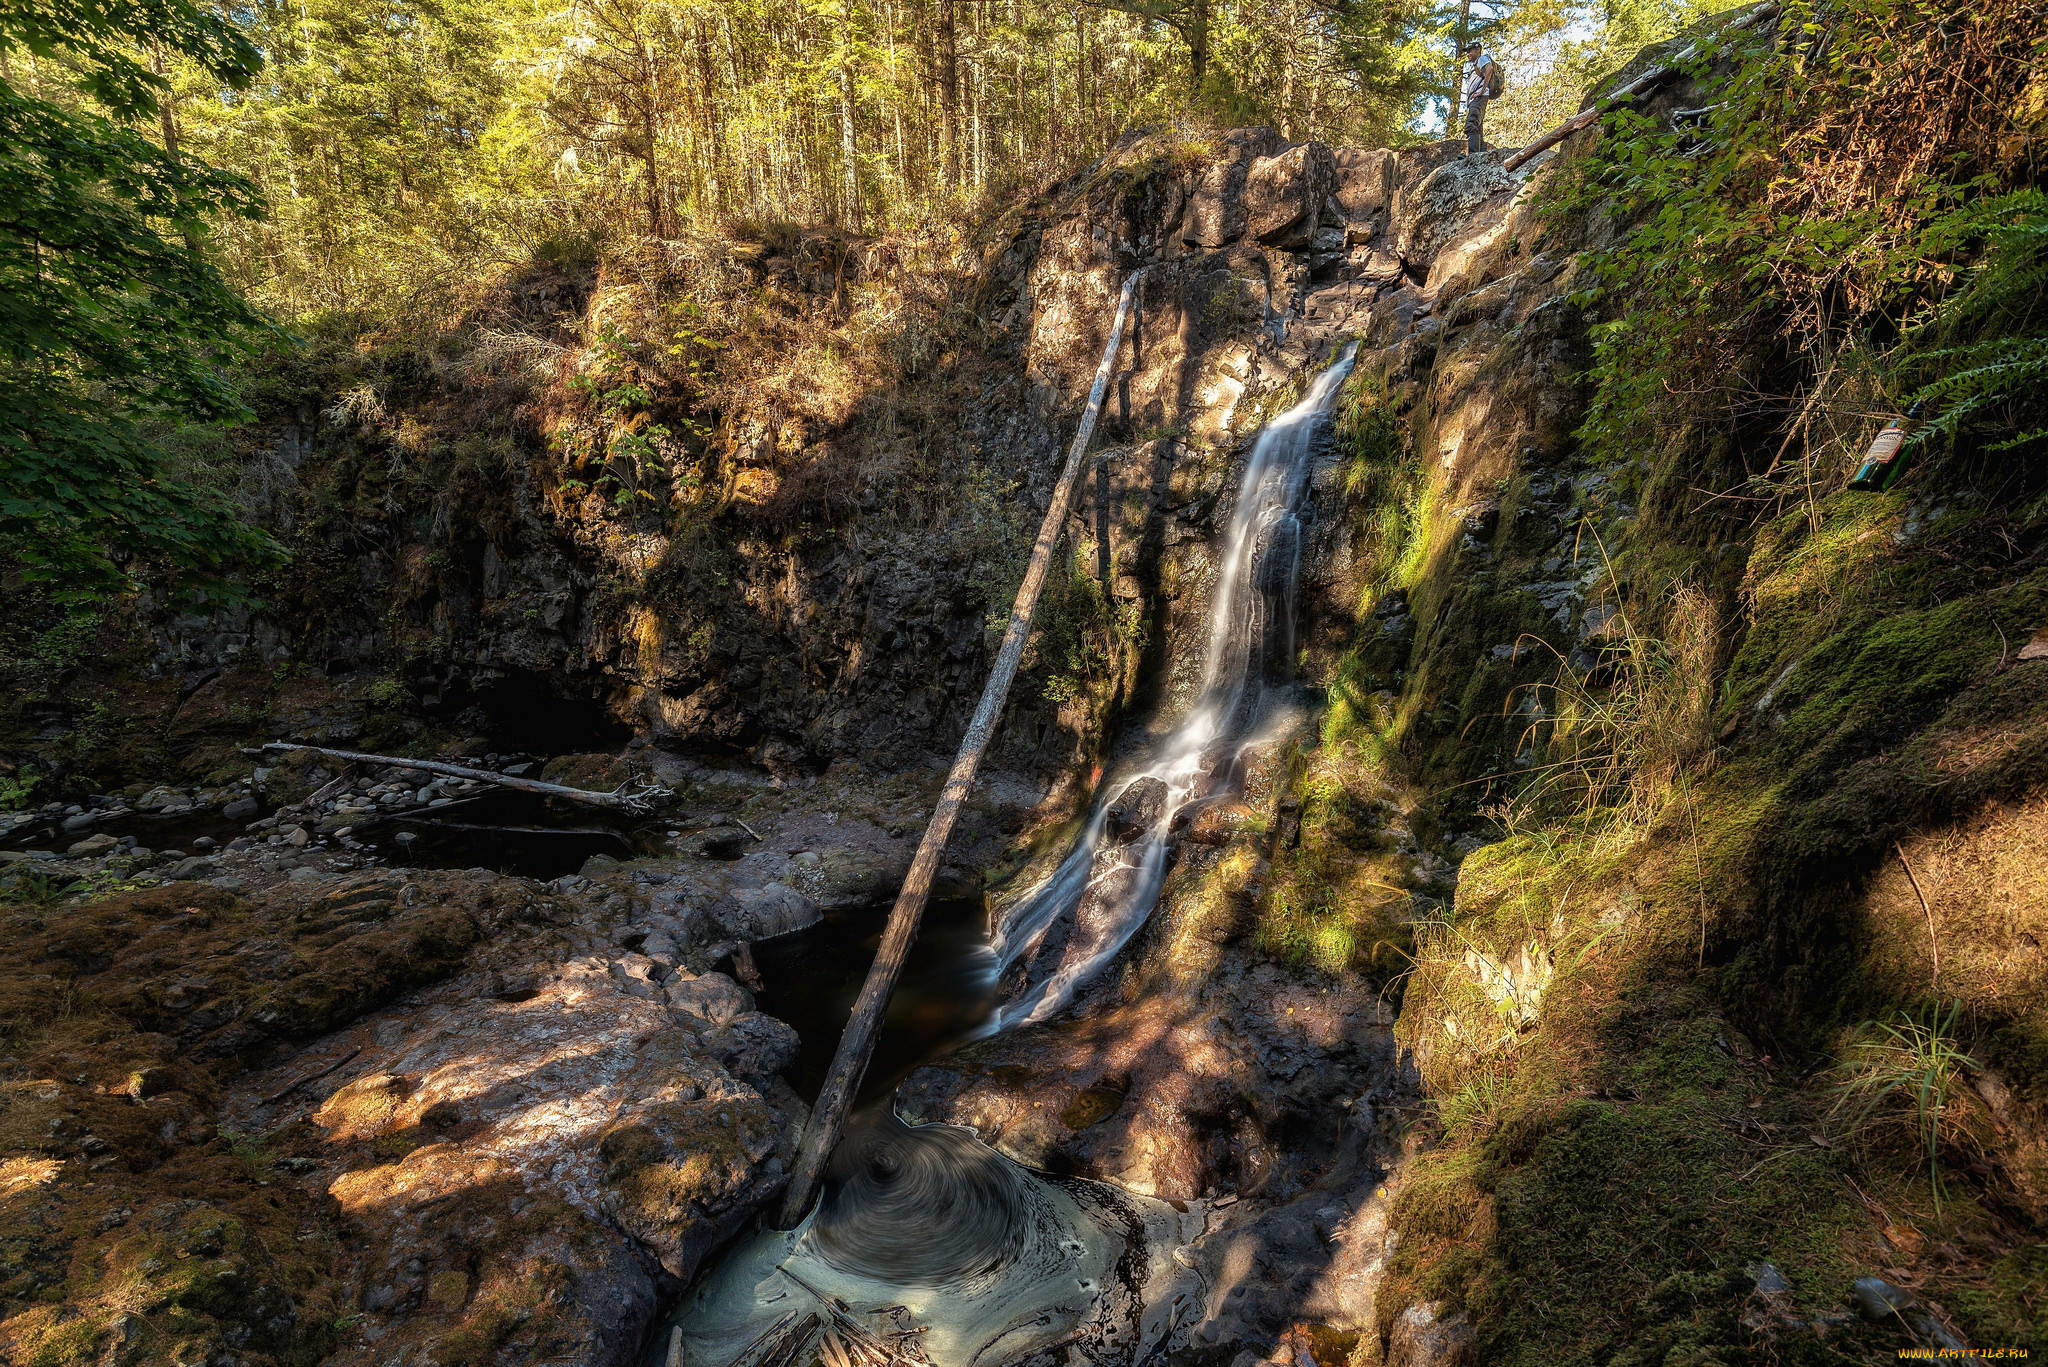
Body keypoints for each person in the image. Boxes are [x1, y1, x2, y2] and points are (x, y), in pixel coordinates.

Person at [1462, 38, 1498, 154]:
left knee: (1471, 123)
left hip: (1479, 97)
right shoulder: (1476, 64)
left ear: (1477, 50)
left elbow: (1489, 68)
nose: (1468, 54)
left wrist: (1482, 90)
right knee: (1477, 127)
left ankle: (1473, 155)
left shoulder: (1482, 58)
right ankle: (1480, 156)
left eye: (1470, 51)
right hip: (1476, 98)